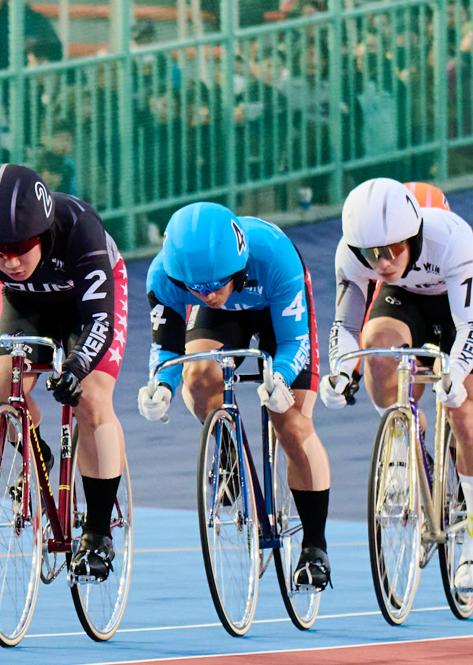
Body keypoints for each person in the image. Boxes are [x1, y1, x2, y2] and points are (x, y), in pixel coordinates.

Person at [0, 165, 129, 580]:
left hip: (84, 307)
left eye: (22, 247)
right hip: (26, 304)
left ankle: (97, 532)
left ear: (42, 231)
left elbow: (99, 322)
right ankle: (38, 454)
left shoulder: (78, 228)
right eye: (0, 252)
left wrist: (75, 367)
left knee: (91, 397)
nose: (12, 260)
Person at [139, 203, 334, 589]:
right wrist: (161, 385)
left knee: (291, 423)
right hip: (229, 317)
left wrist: (279, 376)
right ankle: (228, 449)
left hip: (274, 306)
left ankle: (314, 544)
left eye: (213, 285)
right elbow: (168, 348)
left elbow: (296, 341)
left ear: (237, 263)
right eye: (194, 288)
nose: (206, 294)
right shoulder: (167, 276)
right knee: (197, 375)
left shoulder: (274, 256)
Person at [320, 179, 473, 595]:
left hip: (457, 304)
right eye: (371, 253)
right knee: (375, 343)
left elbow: (471, 326)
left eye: (391, 249)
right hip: (403, 298)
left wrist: (454, 372)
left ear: (414, 234)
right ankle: (404, 442)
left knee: (464, 409)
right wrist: (340, 373)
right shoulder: (352, 252)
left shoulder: (450, 238)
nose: (381, 262)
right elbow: (345, 325)